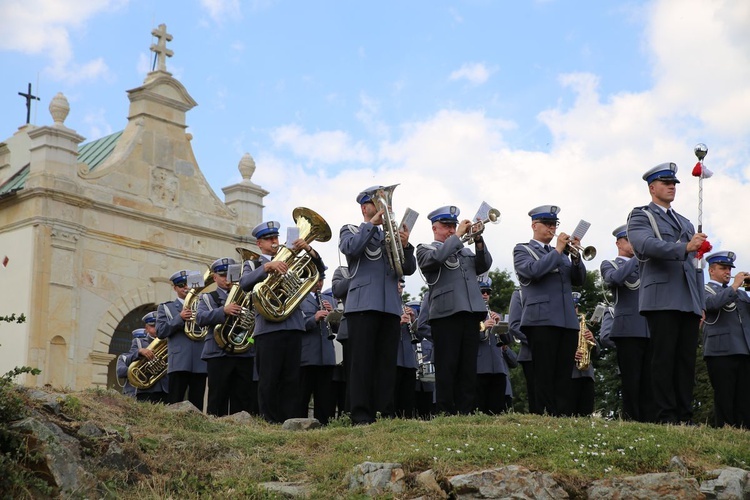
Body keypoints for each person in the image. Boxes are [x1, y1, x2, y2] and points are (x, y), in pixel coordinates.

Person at [627, 162, 707, 424]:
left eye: (674, 183)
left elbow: (696, 266)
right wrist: (684, 247)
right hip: (661, 297)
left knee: (685, 360)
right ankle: (665, 414)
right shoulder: (641, 216)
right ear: (652, 188)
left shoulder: (684, 221)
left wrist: (701, 302)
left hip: (687, 299)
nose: (672, 187)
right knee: (663, 358)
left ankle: (685, 415)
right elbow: (644, 245)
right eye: (666, 183)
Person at [339, 186, 417, 424]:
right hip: (363, 305)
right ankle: (361, 415)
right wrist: (372, 223)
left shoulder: (389, 235)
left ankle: (385, 412)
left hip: (390, 307)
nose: (383, 207)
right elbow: (351, 248)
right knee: (362, 363)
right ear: (365, 208)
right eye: (376, 203)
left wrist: (404, 245)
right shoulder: (351, 230)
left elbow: (408, 269)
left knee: (386, 364)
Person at [241, 220, 326, 423]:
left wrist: (309, 249)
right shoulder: (252, 264)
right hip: (268, 328)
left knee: (291, 379)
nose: (274, 242)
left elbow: (319, 270)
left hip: (294, 325)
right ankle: (269, 420)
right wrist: (267, 267)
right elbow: (244, 284)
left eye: (276, 238)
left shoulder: (292, 259)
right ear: (259, 243)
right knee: (269, 379)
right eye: (269, 239)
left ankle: (289, 420)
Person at [416, 205, 492, 415]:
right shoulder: (425, 249)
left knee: (468, 367)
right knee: (447, 365)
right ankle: (445, 411)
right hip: (445, 314)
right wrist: (458, 236)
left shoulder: (464, 251)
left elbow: (484, 265)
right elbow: (437, 259)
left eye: (453, 226)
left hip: (470, 312)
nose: (451, 229)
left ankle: (465, 411)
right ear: (435, 228)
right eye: (446, 226)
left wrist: (478, 240)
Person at [513, 205, 586, 416]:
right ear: (534, 225)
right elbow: (532, 271)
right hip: (541, 319)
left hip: (566, 320)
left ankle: (562, 415)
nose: (551, 228)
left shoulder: (562, 254)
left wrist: (575, 257)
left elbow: (579, 280)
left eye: (554, 224)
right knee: (543, 372)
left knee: (564, 372)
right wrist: (558, 250)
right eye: (547, 224)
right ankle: (544, 414)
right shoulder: (523, 249)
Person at [600, 224, 654, 422]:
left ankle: (649, 420)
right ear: (618, 243)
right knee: (631, 379)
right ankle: (631, 419)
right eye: (630, 240)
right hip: (628, 329)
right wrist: (639, 257)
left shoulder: (647, 265)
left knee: (650, 379)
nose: (634, 244)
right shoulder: (610, 264)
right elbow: (614, 279)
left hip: (650, 327)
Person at [196, 257, 257, 417]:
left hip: (244, 352)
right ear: (214, 277)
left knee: (243, 398)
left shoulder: (247, 296)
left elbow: (254, 322)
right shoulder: (208, 298)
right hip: (218, 353)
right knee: (217, 397)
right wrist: (223, 310)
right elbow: (200, 318)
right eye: (222, 275)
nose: (227, 279)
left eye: (231, 274)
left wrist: (250, 342)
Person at [702, 251, 750, 428]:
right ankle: (725, 429)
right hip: (720, 350)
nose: (728, 272)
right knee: (725, 394)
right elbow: (711, 304)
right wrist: (735, 286)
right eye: (723, 268)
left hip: (743, 349)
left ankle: (744, 429)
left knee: (744, 396)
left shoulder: (741, 294)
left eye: (729, 268)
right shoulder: (705, 289)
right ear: (712, 271)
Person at [156, 269, 208, 410]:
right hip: (179, 360)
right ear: (175, 288)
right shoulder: (166, 307)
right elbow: (160, 332)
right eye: (181, 285)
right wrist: (179, 318)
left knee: (197, 401)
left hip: (199, 359)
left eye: (188, 284)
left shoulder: (203, 304)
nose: (186, 288)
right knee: (175, 400)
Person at [298, 274, 337, 424]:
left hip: (326, 356)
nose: (319, 284)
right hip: (307, 356)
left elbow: (337, 327)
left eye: (321, 280)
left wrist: (332, 314)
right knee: (302, 395)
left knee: (325, 397)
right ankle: (300, 425)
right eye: (316, 280)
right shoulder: (300, 298)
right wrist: (314, 318)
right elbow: (298, 324)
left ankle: (324, 425)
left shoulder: (330, 300)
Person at [475, 279, 516, 415]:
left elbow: (508, 340)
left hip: (498, 367)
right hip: (479, 367)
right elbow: (467, 340)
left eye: (488, 292)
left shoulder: (496, 315)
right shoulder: (471, 317)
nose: (485, 295)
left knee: (497, 409)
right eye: (482, 292)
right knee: (480, 408)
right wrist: (483, 327)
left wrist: (500, 326)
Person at [121, 311, 169, 403]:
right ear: (146, 329)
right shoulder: (139, 342)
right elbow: (128, 359)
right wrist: (139, 351)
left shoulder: (169, 341)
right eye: (152, 326)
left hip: (165, 387)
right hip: (146, 389)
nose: (156, 329)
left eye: (158, 325)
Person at [507, 288, 536, 414]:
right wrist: (540, 343)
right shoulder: (519, 293)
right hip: (531, 354)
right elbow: (514, 325)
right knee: (536, 396)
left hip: (555, 353)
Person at [571, 292, 599, 416]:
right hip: (570, 376)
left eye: (576, 307)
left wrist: (592, 340)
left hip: (587, 374)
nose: (575, 310)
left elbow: (597, 352)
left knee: (586, 414)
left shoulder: (583, 327)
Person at [394, 279, 419, 418]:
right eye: (397, 283)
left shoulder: (411, 310)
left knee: (408, 396)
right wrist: (398, 323)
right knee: (394, 394)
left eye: (402, 284)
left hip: (409, 359)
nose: (399, 287)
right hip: (394, 358)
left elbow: (420, 336)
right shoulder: (388, 307)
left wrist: (414, 320)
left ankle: (408, 419)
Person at [331, 266, 352, 417]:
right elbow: (337, 290)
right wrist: (357, 272)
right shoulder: (342, 271)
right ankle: (351, 413)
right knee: (352, 376)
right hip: (350, 328)